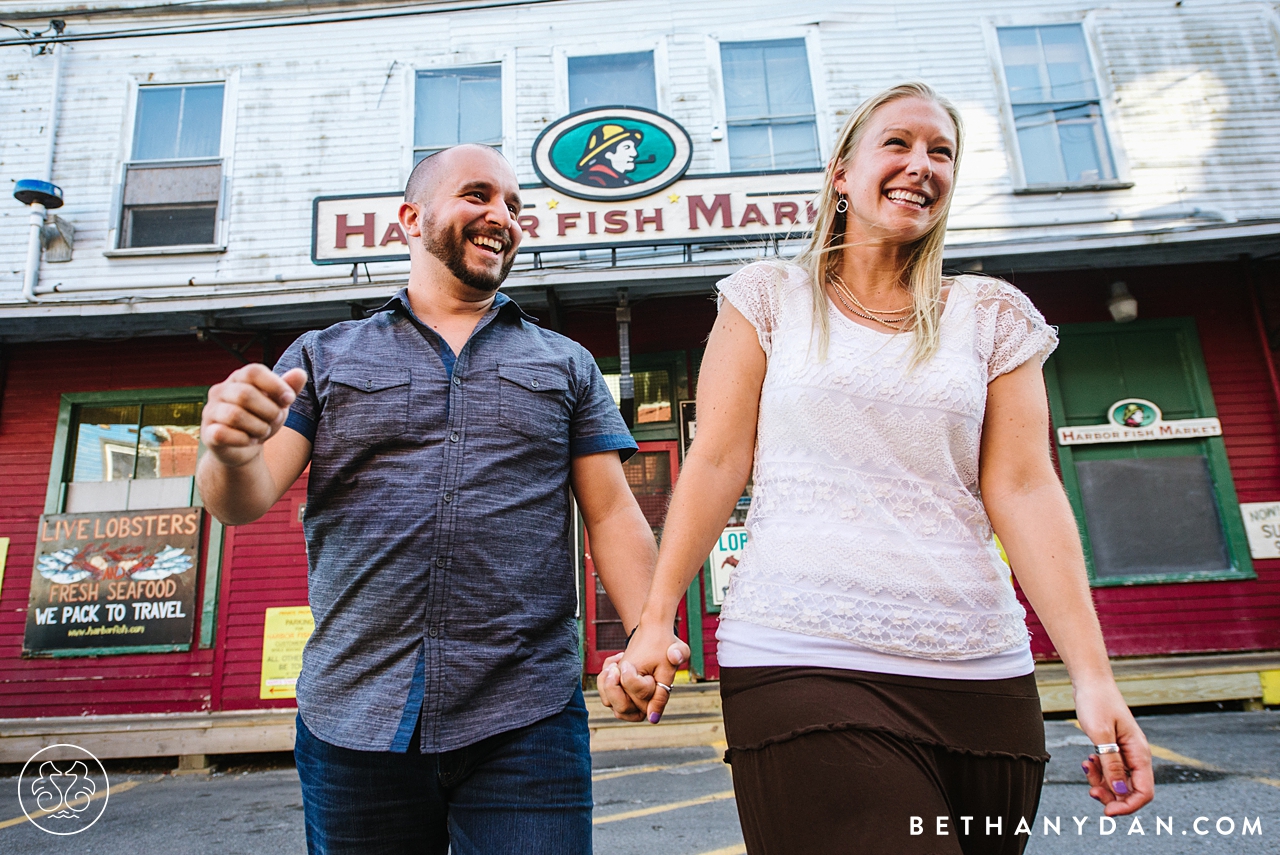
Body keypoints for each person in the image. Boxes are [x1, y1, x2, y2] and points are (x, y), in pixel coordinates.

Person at [599, 82, 1155, 854]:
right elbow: (718, 460)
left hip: (983, 672)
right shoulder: (769, 299)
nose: (920, 164)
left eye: (941, 151)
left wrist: (1094, 679)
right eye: (897, 143)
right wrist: (655, 618)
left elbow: (1025, 490)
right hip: (802, 653)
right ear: (841, 175)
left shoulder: (993, 316)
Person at [197, 144, 660, 855]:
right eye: (478, 195)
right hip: (354, 711)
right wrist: (225, 451)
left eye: (514, 206)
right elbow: (244, 497)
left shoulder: (565, 362)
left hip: (525, 711)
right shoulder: (324, 354)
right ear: (411, 219)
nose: (502, 216)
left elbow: (611, 512)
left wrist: (646, 632)